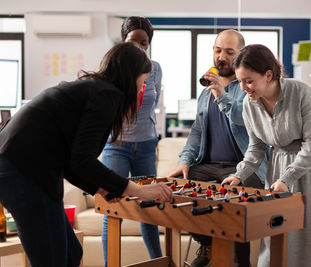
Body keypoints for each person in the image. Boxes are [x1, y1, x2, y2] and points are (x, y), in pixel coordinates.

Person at [0, 42, 173, 267]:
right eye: (142, 82)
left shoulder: (96, 89)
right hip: (22, 172)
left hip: (22, 167)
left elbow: (73, 160)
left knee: (71, 253)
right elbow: (83, 161)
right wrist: (140, 191)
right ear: (131, 77)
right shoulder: (108, 96)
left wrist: (100, 188)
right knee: (52, 261)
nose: (142, 89)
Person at [223, 44, 311, 267]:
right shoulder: (248, 104)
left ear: (268, 75)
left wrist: (287, 178)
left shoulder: (301, 92)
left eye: (248, 81)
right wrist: (239, 175)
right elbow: (256, 147)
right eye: (240, 81)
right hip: (279, 169)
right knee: (277, 234)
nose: (243, 87)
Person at [168, 30, 269, 267]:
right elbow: (197, 132)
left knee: (235, 200)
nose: (221, 57)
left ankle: (239, 262)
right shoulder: (205, 93)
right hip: (209, 166)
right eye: (217, 50)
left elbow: (246, 118)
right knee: (181, 186)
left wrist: (222, 94)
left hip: (244, 168)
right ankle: (208, 244)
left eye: (229, 52)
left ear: (240, 55)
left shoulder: (249, 87)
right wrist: (184, 160)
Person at [101, 16, 164, 264]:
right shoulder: (113, 67)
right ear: (123, 41)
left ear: (149, 43)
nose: (138, 47)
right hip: (116, 146)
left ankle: (158, 261)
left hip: (146, 146)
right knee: (112, 208)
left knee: (148, 208)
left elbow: (153, 103)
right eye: (132, 41)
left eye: (144, 43)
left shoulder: (155, 68)